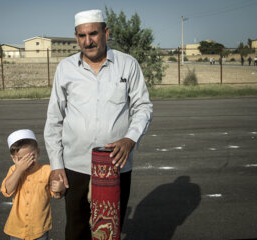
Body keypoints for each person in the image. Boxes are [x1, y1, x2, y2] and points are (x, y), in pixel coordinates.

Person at [44, 9, 153, 240]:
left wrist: (130, 139)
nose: (88, 41)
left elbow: (143, 107)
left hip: (115, 165)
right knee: (76, 231)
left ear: (106, 32)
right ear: (76, 37)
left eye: (93, 34)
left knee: (109, 230)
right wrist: (56, 164)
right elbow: (54, 119)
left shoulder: (127, 65)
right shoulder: (66, 68)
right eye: (82, 36)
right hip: (75, 166)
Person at [1, 129, 65, 240]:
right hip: (17, 230)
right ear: (13, 158)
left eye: (32, 157)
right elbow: (7, 190)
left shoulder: (47, 170)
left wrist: (60, 188)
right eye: (22, 159)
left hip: (39, 229)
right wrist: (19, 169)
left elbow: (56, 194)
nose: (28, 163)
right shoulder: (13, 170)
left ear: (38, 152)